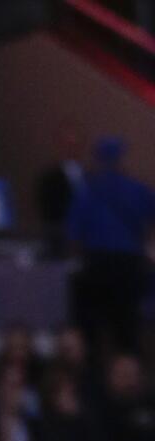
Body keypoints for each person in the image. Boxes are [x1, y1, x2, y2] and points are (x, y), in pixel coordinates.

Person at [66, 136, 155, 353]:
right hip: (129, 267)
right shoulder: (138, 189)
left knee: (93, 331)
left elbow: (73, 233)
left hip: (96, 265)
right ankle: (129, 371)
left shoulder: (86, 191)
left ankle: (95, 374)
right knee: (128, 328)